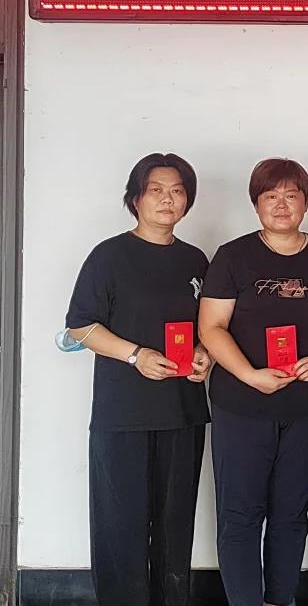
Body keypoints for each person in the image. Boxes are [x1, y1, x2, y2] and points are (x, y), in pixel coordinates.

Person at [64, 152, 211, 606]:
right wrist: (135, 355)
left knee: (175, 526)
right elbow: (80, 327)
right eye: (156, 190)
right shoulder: (109, 256)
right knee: (120, 527)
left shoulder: (195, 260)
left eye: (177, 191)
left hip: (183, 412)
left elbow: (210, 328)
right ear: (135, 199)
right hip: (123, 414)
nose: (168, 200)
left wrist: (205, 355)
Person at [198, 158, 308, 606]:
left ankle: (281, 598)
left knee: (291, 514)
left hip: (306, 409)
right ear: (256, 204)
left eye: (291, 196)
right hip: (241, 407)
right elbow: (211, 327)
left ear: (306, 203)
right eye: (270, 196)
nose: (281, 205)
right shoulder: (233, 256)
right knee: (240, 515)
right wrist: (249, 375)